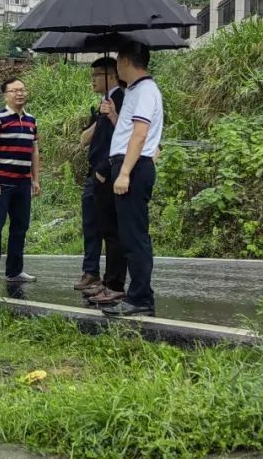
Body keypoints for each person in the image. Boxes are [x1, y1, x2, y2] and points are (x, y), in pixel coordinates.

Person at [103, 41, 163, 318]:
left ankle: (140, 297)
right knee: (129, 235)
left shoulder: (145, 90)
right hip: (131, 163)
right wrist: (114, 116)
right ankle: (138, 294)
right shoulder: (135, 91)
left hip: (133, 167)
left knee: (134, 236)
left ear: (126, 61)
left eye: (117, 60)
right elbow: (130, 131)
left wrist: (125, 172)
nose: (116, 66)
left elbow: (140, 134)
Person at [78, 58, 127, 305]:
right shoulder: (104, 103)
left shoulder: (122, 100)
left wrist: (103, 170)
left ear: (111, 75)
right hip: (96, 172)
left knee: (111, 230)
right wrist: (101, 116)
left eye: (97, 74)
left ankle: (112, 282)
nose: (93, 80)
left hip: (108, 172)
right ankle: (97, 276)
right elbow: (85, 138)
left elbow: (124, 138)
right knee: (95, 225)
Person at [0, 78, 41, 286]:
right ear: (5, 95)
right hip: (2, 182)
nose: (19, 94)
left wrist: (35, 179)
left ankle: (15, 271)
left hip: (23, 183)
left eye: (22, 90)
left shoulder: (31, 120)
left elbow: (34, 151)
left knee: (20, 228)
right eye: (14, 91)